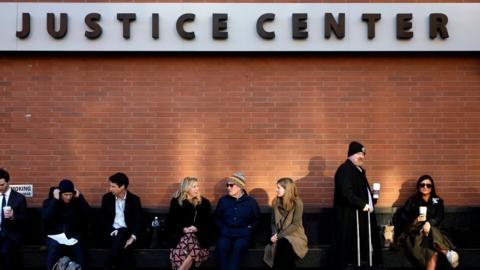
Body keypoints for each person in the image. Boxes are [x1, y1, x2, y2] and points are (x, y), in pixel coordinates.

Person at [393, 175, 459, 269]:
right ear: (418, 187)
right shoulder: (412, 201)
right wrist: (416, 220)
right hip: (416, 233)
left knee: (432, 245)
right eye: (422, 185)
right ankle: (447, 253)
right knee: (432, 248)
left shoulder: (437, 201)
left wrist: (429, 223)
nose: (425, 187)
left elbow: (439, 217)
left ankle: (446, 253)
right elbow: (403, 217)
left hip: (435, 233)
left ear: (432, 188)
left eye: (428, 185)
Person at [332, 141, 381, 269]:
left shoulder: (357, 170)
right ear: (351, 154)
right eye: (359, 153)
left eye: (363, 154)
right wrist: (362, 204)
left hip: (362, 216)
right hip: (351, 217)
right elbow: (346, 192)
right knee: (350, 248)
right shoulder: (345, 169)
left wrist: (371, 199)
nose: (362, 156)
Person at [42, 178, 90, 270]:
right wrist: (55, 200)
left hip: (73, 235)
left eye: (70, 194)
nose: (68, 197)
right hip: (54, 236)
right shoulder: (50, 201)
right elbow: (45, 217)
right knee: (54, 247)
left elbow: (88, 215)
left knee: (79, 249)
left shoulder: (77, 201)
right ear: (60, 193)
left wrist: (80, 199)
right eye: (65, 195)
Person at [215, 172, 260, 270]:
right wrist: (222, 228)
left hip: (243, 235)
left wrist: (249, 229)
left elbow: (257, 219)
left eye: (231, 185)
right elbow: (216, 218)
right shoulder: (223, 201)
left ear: (240, 186)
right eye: (227, 185)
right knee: (222, 246)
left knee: (238, 246)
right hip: (226, 234)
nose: (228, 188)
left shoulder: (251, 201)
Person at [166, 176, 213, 270]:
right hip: (180, 236)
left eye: (197, 186)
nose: (197, 189)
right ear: (186, 188)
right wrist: (183, 229)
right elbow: (171, 222)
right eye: (194, 186)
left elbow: (208, 223)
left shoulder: (204, 203)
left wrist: (197, 228)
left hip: (199, 236)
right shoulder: (176, 202)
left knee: (189, 240)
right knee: (188, 243)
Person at [101, 172, 143, 270]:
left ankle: (108, 265)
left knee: (123, 235)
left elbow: (139, 221)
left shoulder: (134, 200)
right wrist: (111, 230)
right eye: (110, 186)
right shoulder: (107, 198)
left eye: (113, 186)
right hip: (111, 232)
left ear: (122, 186)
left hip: (128, 234)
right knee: (124, 247)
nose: (110, 189)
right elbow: (103, 218)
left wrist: (132, 238)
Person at [269, 177, 308, 269]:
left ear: (287, 189)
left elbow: (295, 224)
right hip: (279, 235)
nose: (276, 190)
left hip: (295, 235)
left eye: (279, 188)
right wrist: (274, 234)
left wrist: (279, 236)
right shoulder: (275, 202)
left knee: (284, 244)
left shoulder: (298, 203)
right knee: (282, 245)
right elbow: (273, 223)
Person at [0, 169, 27, 270]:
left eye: (2, 185)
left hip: (10, 233)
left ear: (8, 182)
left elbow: (24, 219)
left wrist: (13, 216)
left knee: (6, 252)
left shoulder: (19, 198)